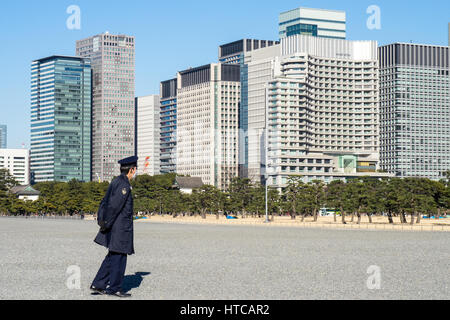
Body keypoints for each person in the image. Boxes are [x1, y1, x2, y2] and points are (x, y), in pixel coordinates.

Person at [90, 156, 138, 298]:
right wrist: (107, 224)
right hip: (120, 228)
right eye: (134, 169)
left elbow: (106, 202)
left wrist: (105, 222)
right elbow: (114, 206)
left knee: (112, 256)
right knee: (119, 257)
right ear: (132, 169)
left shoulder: (116, 181)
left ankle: (98, 284)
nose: (134, 172)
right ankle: (114, 288)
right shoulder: (124, 185)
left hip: (115, 226)